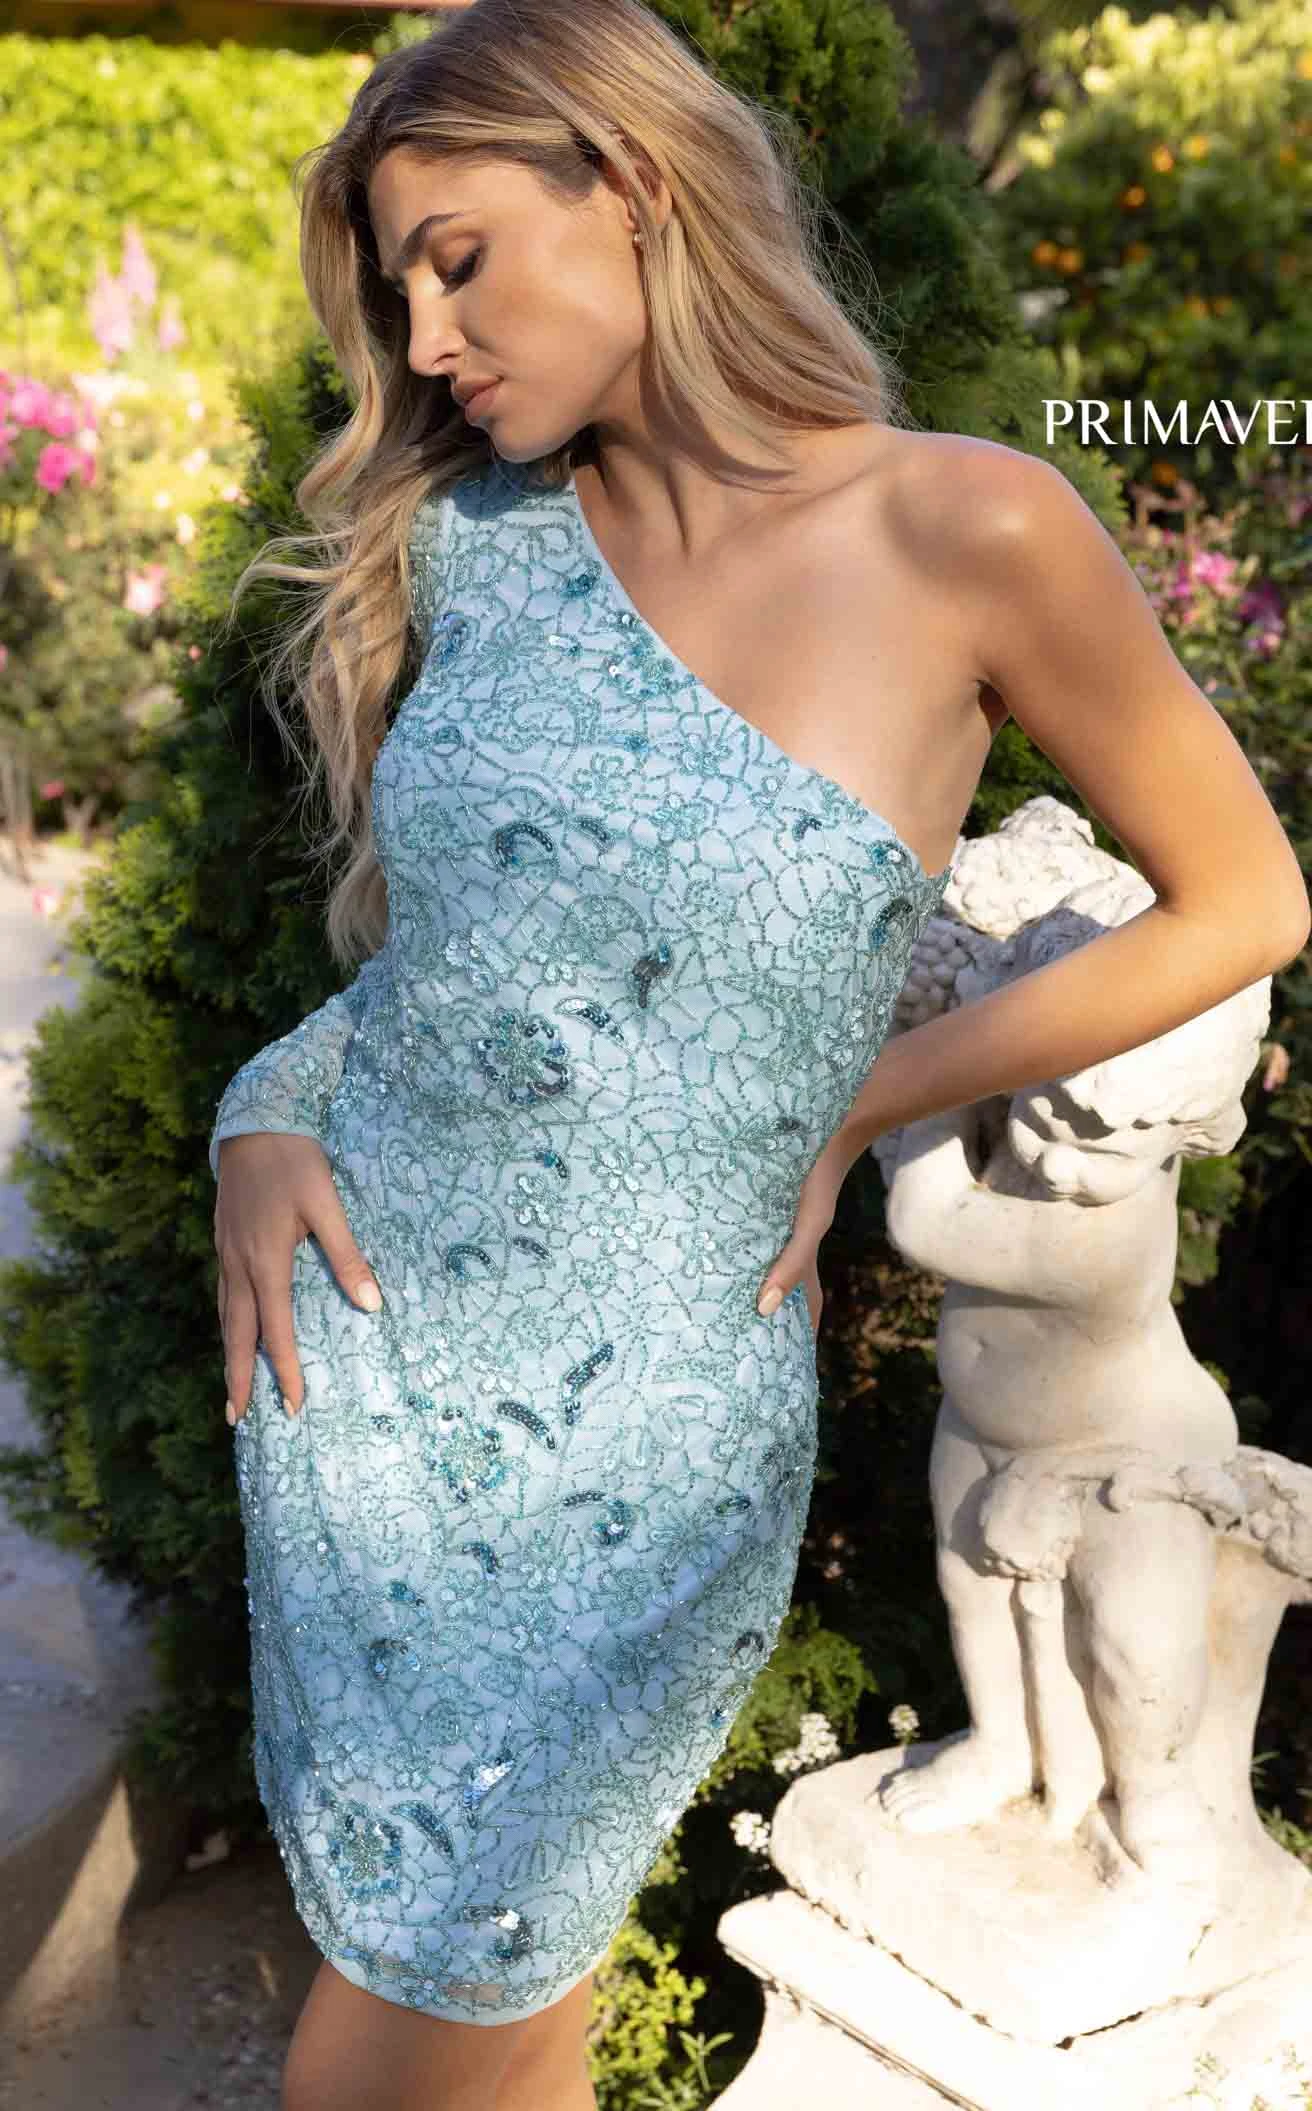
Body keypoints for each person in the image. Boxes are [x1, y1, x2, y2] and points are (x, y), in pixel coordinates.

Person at [208, 0, 1311, 2104]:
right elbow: (453, 979)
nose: (425, 341)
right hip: (357, 1394)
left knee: (402, 2038)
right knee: (481, 2030)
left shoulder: (965, 532)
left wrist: (871, 1093)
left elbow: (1242, 900)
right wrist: (263, 1112)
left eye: (456, 258)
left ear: (629, 183)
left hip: (651, 1436)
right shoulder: (476, 543)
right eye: (396, 292)